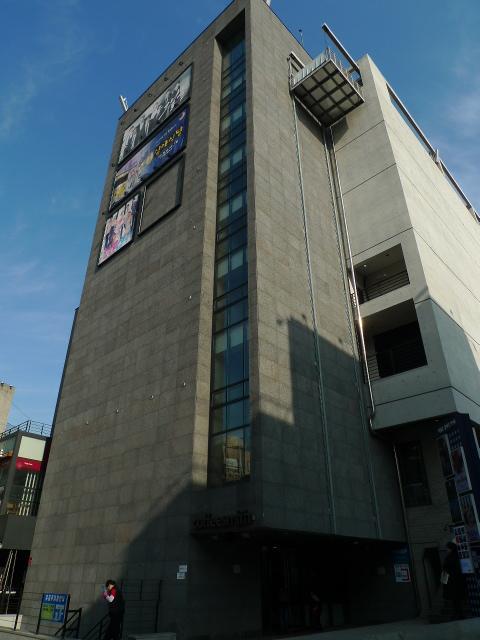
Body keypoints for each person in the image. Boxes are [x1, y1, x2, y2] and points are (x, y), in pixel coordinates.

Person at [442, 542, 465, 620]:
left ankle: (458, 613)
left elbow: (453, 568)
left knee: (456, 598)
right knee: (454, 599)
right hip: (451, 580)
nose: (446, 550)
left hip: (454, 580)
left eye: (447, 548)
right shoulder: (450, 557)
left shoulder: (454, 557)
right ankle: (458, 613)